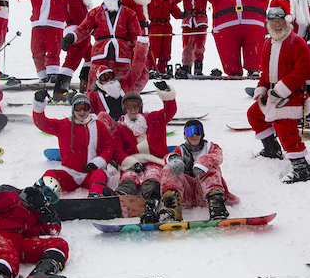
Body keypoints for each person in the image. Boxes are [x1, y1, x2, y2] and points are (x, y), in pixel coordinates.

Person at [247, 5, 310, 184]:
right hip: (272, 95)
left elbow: (305, 70)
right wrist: (261, 90)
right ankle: (272, 149)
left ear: (286, 22)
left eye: (280, 21)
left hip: (292, 96)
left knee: (285, 127)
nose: (277, 25)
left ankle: (301, 168)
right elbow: (264, 73)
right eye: (273, 22)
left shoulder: (296, 42)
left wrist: (281, 89)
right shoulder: (268, 43)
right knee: (254, 114)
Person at [110, 84, 178, 223]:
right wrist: (131, 163)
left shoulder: (154, 119)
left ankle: (152, 200)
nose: (133, 109)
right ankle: (121, 197)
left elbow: (170, 110)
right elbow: (117, 150)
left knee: (152, 177)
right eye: (129, 106)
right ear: (125, 109)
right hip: (133, 161)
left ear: (140, 107)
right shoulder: (120, 128)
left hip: (155, 161)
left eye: (135, 105)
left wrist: (166, 94)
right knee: (129, 177)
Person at [157, 119, 240, 223]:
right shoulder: (181, 150)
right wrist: (174, 160)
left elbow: (217, 156)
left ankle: (216, 206)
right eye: (190, 132)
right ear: (185, 135)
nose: (194, 135)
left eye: (197, 131)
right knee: (169, 168)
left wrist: (204, 162)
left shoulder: (211, 147)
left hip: (204, 195)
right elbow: (168, 157)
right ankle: (172, 208)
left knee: (213, 168)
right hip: (184, 196)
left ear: (202, 134)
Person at [33, 91, 113, 197]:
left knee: (99, 175)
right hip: (69, 173)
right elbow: (42, 123)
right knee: (51, 175)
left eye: (85, 107)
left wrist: (97, 163)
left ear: (89, 109)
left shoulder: (99, 126)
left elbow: (109, 147)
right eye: (78, 108)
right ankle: (41, 196)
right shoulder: (64, 125)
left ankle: (96, 196)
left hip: (90, 173)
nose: (82, 111)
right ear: (73, 109)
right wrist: (39, 103)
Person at [75, 0, 148, 92]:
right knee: (95, 81)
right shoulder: (95, 12)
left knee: (122, 82)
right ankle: (93, 101)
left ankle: (124, 102)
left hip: (122, 55)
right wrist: (72, 36)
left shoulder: (128, 13)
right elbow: (83, 28)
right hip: (99, 54)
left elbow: (135, 34)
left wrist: (139, 47)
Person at [10, 0, 68, 88]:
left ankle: (53, 76)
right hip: (37, 25)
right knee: (36, 51)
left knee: (53, 51)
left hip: (55, 25)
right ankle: (43, 77)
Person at [210, 0, 271, 76]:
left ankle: (254, 69)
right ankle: (233, 71)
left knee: (254, 48)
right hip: (227, 31)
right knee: (228, 50)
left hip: (252, 29)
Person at [57, 0, 95, 94]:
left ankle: (85, 83)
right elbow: (79, 16)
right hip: (77, 31)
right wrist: (90, 28)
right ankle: (60, 90)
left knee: (90, 55)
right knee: (72, 60)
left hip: (81, 30)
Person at [173, 0, 210, 77]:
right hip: (188, 22)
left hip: (201, 22)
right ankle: (186, 67)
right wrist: (180, 14)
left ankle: (198, 67)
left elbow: (216, 0)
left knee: (199, 46)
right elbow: (172, 2)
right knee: (187, 46)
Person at [146, 0, 181, 78]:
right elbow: (143, 11)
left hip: (166, 26)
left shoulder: (168, 0)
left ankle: (162, 70)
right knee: (153, 50)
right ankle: (151, 69)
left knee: (165, 51)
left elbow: (176, 13)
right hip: (155, 26)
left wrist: (184, 14)